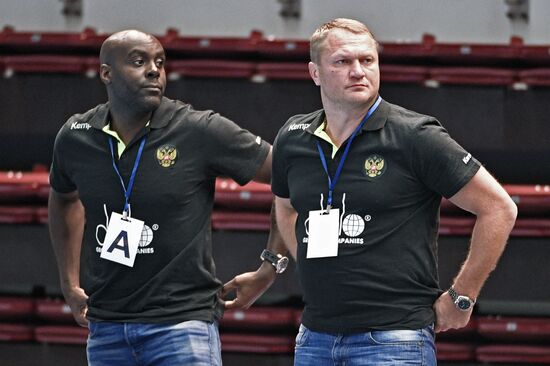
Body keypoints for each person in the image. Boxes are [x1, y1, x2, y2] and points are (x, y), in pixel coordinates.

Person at [272, 18, 517, 366]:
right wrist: (310, 258)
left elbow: (499, 208)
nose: (358, 71)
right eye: (342, 62)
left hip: (394, 340)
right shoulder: (293, 136)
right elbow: (285, 207)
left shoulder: (415, 135)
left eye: (367, 60)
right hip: (315, 336)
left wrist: (462, 296)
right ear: (315, 72)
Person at [48, 29, 287, 366]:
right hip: (106, 326)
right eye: (138, 61)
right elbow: (63, 199)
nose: (153, 70)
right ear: (106, 73)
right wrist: (69, 284)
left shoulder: (199, 129)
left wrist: (270, 265)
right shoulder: (76, 136)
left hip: (182, 324)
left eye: (159, 62)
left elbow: (290, 175)